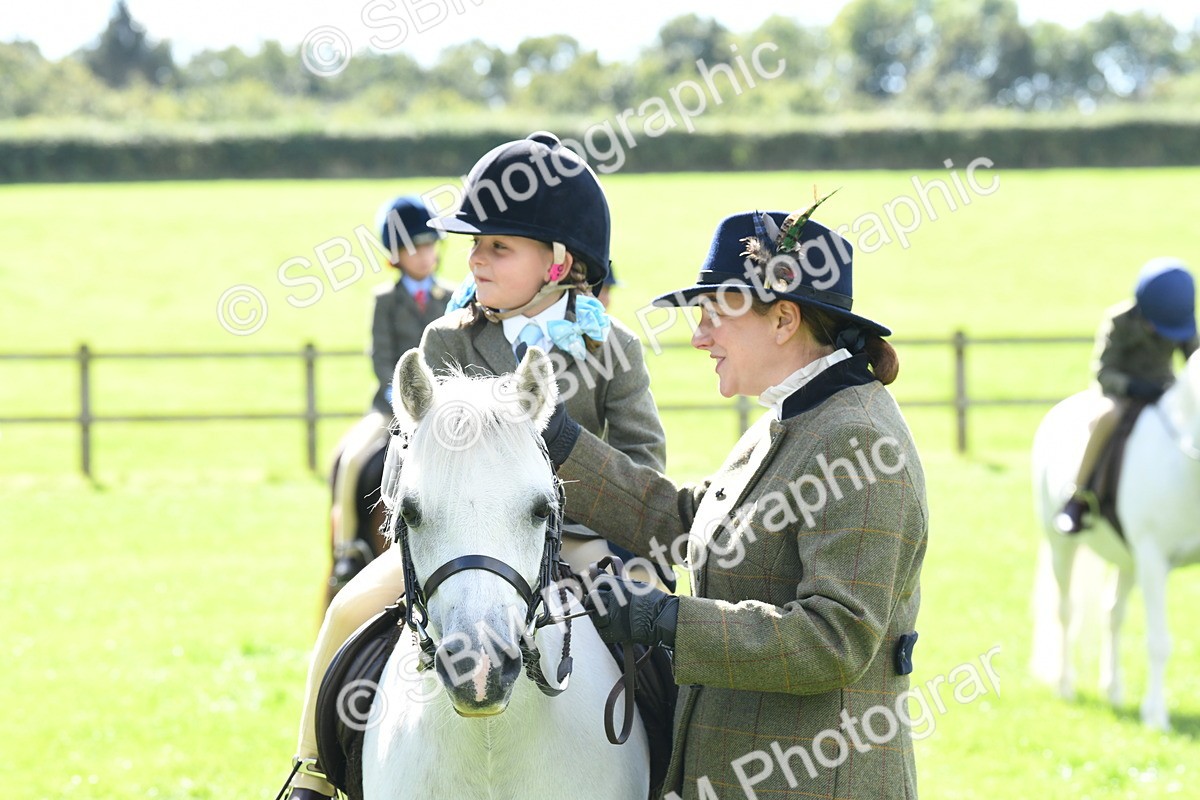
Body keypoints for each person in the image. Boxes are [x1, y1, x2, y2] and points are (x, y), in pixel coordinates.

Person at [285, 132, 667, 800]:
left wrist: (555, 495)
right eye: (473, 245)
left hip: (577, 543)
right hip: (457, 546)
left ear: (557, 262)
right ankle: (313, 773)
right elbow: (412, 460)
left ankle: (682, 774)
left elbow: (644, 464)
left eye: (498, 247)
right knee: (347, 609)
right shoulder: (444, 340)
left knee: (662, 637)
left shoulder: (615, 345)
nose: (475, 261)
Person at [539, 206, 928, 799]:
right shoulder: (792, 414)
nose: (698, 337)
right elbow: (690, 523)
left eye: (714, 314)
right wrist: (562, 443)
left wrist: (664, 620)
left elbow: (834, 640)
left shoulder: (857, 438)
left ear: (783, 321)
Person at [327, 195, 452, 592]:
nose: (425, 254)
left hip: (443, 402)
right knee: (351, 460)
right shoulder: (385, 300)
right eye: (414, 247)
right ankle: (348, 547)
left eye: (430, 245)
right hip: (389, 405)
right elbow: (381, 355)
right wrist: (402, 396)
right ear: (395, 255)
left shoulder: (451, 298)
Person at [1055, 258, 1198, 534]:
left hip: (1163, 390)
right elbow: (1104, 371)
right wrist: (1133, 387)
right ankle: (1078, 495)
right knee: (1106, 417)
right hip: (1122, 394)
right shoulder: (1119, 320)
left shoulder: (1179, 320)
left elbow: (1195, 359)